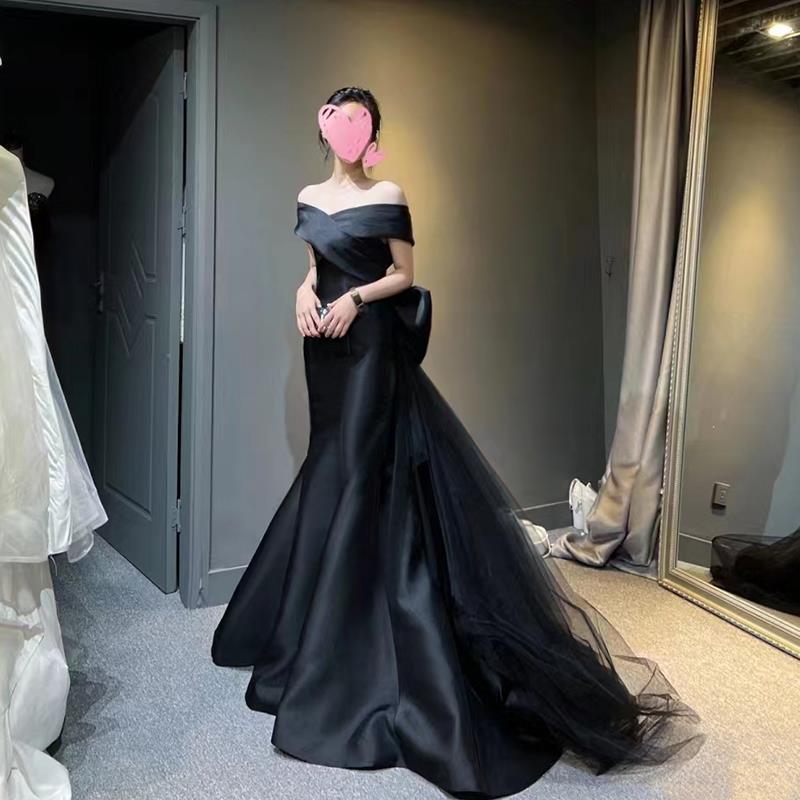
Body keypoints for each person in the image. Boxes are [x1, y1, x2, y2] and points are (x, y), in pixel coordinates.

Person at [211, 86, 700, 799]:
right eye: (339, 119)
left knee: (366, 475)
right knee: (331, 466)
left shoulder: (390, 193)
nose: (349, 132)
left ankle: (357, 648)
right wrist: (304, 292)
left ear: (372, 133)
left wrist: (354, 298)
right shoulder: (309, 195)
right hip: (325, 353)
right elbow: (316, 264)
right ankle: (316, 629)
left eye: (361, 122)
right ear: (326, 130)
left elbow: (404, 276)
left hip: (372, 347)